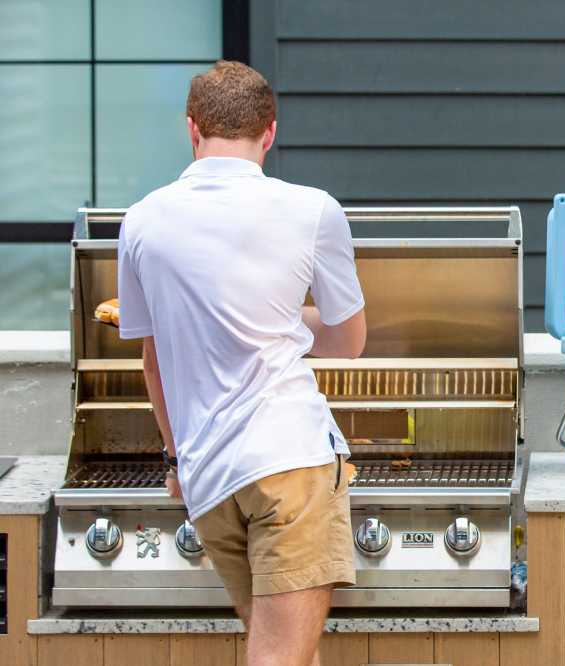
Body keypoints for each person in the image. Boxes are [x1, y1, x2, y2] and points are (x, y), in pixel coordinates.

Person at [117, 60, 367, 666]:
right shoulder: (312, 210)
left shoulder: (141, 220)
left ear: (192, 128)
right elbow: (348, 341)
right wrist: (288, 322)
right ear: (270, 132)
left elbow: (155, 358)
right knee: (281, 657)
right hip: (289, 463)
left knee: (283, 650)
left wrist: (175, 459)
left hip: (209, 478)